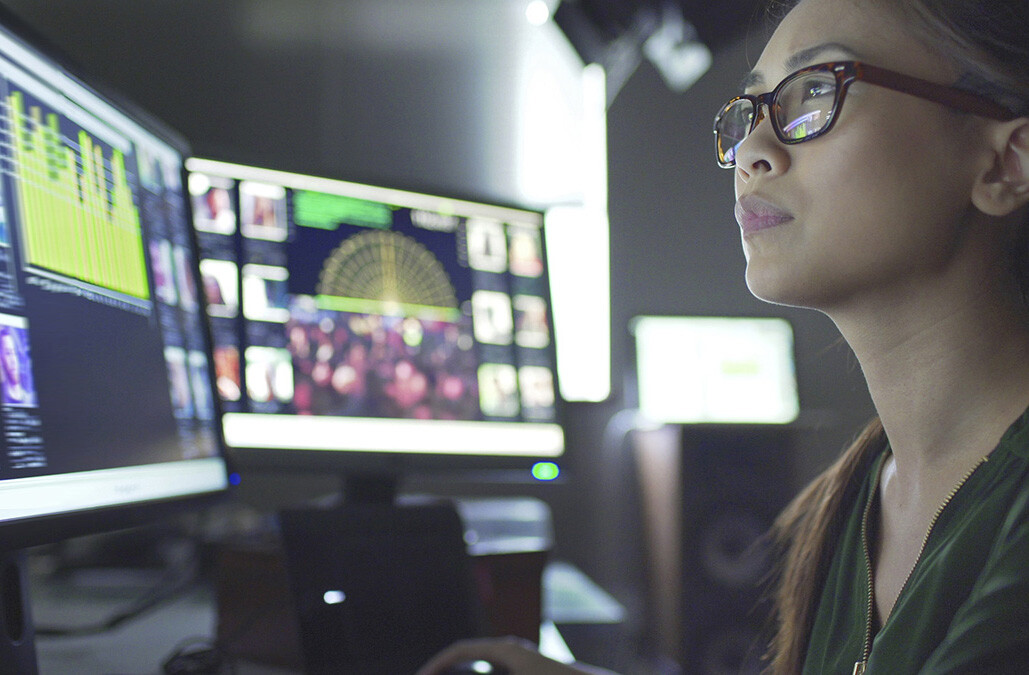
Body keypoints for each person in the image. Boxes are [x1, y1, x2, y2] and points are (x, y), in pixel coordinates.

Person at [418, 0, 1029, 672]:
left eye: (814, 92)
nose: (751, 152)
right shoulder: (860, 491)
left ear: (1004, 164)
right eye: (748, 113)